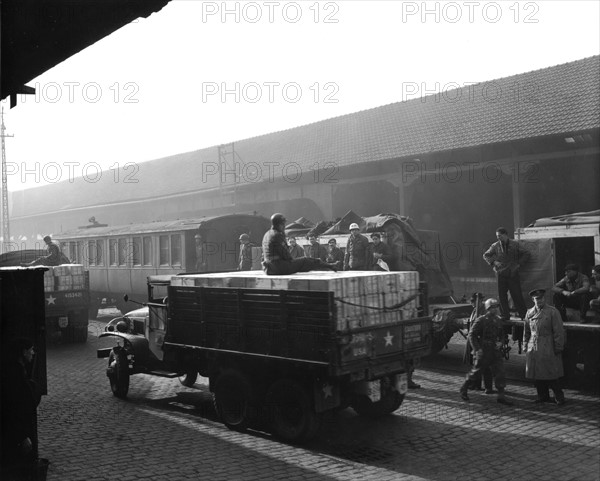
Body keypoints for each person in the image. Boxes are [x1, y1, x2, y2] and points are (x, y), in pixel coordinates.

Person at [459, 298, 513, 405]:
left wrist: (501, 343)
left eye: (496, 307)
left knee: (500, 373)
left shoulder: (498, 320)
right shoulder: (481, 320)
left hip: (495, 351)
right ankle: (464, 388)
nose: (495, 310)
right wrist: (477, 349)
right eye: (492, 308)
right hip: (484, 350)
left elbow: (502, 335)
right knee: (476, 372)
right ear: (488, 309)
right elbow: (471, 335)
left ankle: (501, 396)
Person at [0, 337, 41, 480]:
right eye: (31, 350)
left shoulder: (15, 370)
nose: (33, 353)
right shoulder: (16, 374)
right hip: (16, 432)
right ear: (24, 352)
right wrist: (23, 435)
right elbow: (14, 408)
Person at [523, 289, 566, 405]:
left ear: (544, 298)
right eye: (537, 299)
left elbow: (559, 331)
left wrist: (558, 346)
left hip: (548, 345)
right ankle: (543, 396)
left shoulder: (552, 312)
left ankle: (559, 397)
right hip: (534, 345)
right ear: (533, 300)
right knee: (537, 373)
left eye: (541, 298)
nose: (539, 301)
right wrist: (525, 345)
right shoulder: (529, 313)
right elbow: (526, 331)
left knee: (551, 373)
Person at [261, 213, 337, 275]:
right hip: (279, 268)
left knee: (303, 264)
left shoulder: (267, 234)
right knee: (305, 261)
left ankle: (328, 266)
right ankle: (330, 266)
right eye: (283, 224)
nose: (284, 226)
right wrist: (293, 262)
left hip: (269, 268)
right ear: (280, 224)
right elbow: (286, 255)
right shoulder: (278, 235)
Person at [483, 227, 530, 322]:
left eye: (499, 236)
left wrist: (519, 264)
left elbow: (526, 253)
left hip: (513, 273)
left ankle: (523, 315)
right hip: (501, 274)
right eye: (497, 236)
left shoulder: (515, 244)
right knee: (502, 296)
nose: (498, 238)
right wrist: (494, 262)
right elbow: (486, 255)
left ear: (505, 235)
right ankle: (505, 315)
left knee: (517, 295)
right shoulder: (495, 246)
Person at [466, 292, 494, 393]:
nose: (472, 303)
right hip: (474, 341)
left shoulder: (483, 311)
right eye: (471, 301)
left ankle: (488, 387)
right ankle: (476, 385)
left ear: (480, 301)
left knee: (485, 365)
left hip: (482, 341)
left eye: (473, 301)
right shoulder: (475, 310)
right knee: (476, 364)